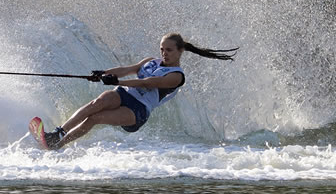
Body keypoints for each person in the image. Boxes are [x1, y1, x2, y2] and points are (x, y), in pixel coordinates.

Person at [43, 33, 238, 149]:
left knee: (95, 118)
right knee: (96, 104)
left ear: (180, 51)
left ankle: (58, 146)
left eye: (169, 50)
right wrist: (104, 73)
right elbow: (128, 69)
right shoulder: (150, 61)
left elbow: (149, 83)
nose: (164, 53)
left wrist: (117, 81)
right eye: (162, 49)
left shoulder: (177, 76)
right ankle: (57, 133)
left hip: (138, 110)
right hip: (125, 93)